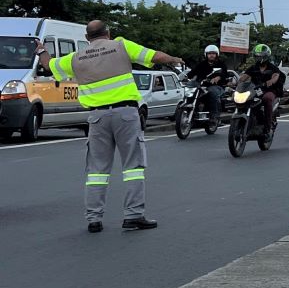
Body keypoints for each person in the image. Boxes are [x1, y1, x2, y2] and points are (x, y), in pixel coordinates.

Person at [36, 20, 182, 232]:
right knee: (133, 167)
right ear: (108, 33)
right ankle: (133, 215)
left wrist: (41, 50)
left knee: (97, 171)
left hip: (97, 117)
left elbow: (48, 65)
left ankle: (93, 219)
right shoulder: (121, 45)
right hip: (126, 114)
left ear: (87, 38)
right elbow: (154, 56)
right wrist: (174, 59)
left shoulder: (76, 57)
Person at [241, 44, 284, 128]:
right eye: (257, 56)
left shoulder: (273, 68)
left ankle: (267, 126)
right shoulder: (253, 67)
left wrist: (271, 81)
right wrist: (235, 82)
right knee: (246, 100)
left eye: (260, 56)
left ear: (266, 57)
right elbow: (243, 77)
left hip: (269, 90)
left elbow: (275, 76)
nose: (258, 58)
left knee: (267, 98)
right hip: (255, 90)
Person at [194, 44, 233, 131]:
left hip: (217, 86)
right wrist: (186, 77)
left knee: (212, 93)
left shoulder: (221, 64)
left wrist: (218, 77)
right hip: (203, 86)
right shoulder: (202, 64)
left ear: (216, 54)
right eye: (209, 53)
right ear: (206, 54)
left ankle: (214, 117)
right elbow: (193, 72)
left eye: (213, 53)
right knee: (191, 92)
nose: (211, 55)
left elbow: (225, 74)